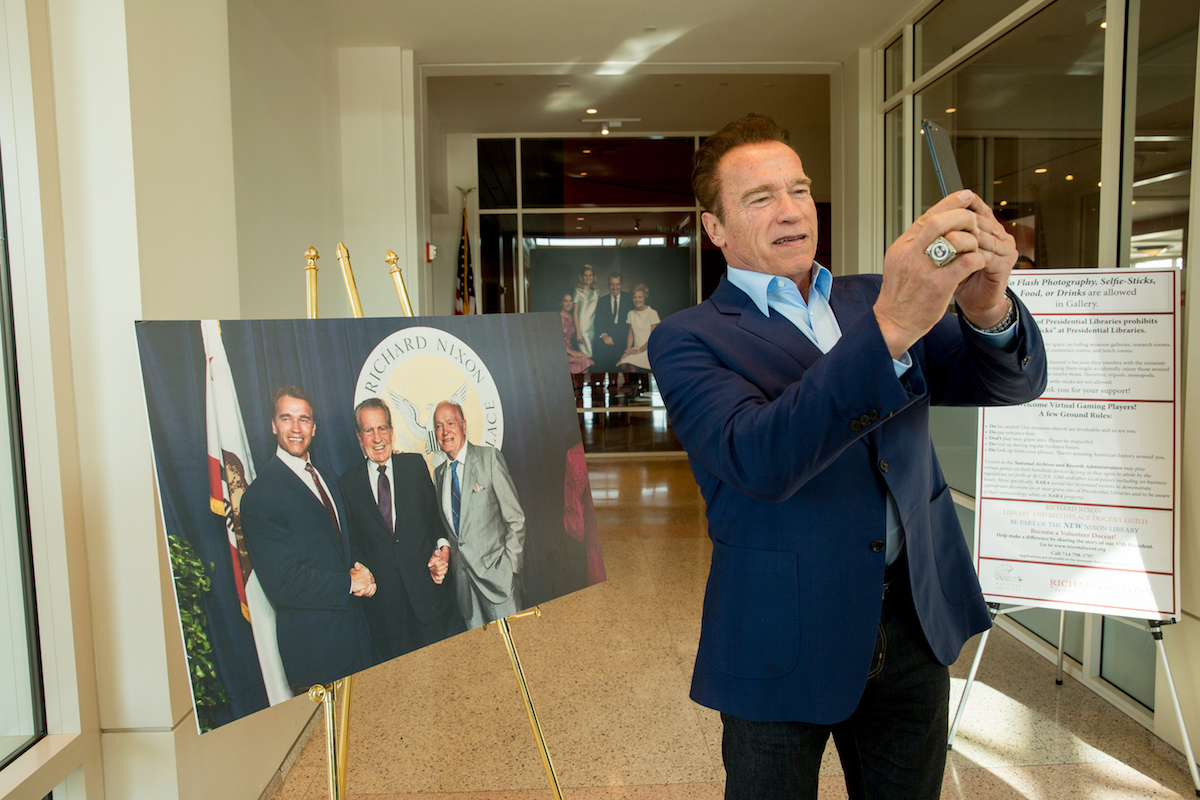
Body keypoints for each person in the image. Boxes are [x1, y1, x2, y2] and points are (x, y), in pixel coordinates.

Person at [647, 114, 1047, 800]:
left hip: (914, 616)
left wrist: (987, 308)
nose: (791, 210)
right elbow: (759, 457)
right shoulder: (689, 338)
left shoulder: (872, 298)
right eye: (760, 198)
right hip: (781, 629)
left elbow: (1008, 384)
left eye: (799, 189)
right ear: (715, 228)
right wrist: (891, 328)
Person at [241, 385, 375, 691]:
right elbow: (283, 582)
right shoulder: (260, 496)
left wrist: (362, 571)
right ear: (273, 425)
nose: (296, 428)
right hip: (316, 653)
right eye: (286, 418)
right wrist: (348, 583)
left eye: (304, 419)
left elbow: (345, 544)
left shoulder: (327, 478)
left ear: (313, 427)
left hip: (357, 638)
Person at [337, 398, 465, 663]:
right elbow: (353, 543)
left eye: (382, 428)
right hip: (385, 613)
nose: (377, 438)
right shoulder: (347, 485)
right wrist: (360, 569)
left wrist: (443, 549)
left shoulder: (414, 466)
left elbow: (435, 521)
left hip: (428, 602)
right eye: (369, 431)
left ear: (392, 430)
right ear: (359, 436)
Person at [432, 401, 527, 628]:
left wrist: (510, 570)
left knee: (514, 644)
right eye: (438, 426)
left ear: (464, 425)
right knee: (482, 650)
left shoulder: (489, 459)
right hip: (466, 590)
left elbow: (516, 519)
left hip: (499, 584)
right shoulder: (439, 474)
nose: (445, 431)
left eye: (450, 423)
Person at [592, 272, 631, 373]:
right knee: (599, 351)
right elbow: (597, 322)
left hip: (624, 338)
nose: (614, 287)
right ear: (608, 285)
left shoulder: (629, 299)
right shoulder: (602, 301)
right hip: (607, 337)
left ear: (621, 285)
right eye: (612, 284)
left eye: (617, 284)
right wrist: (604, 335)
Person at [616, 283, 659, 372]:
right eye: (635, 297)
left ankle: (637, 381)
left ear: (645, 298)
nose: (637, 300)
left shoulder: (652, 313)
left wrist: (639, 351)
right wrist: (628, 350)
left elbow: (653, 338)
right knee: (623, 363)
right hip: (635, 349)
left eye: (640, 297)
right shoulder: (631, 314)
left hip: (648, 349)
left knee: (632, 366)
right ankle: (634, 380)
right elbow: (630, 334)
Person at [559, 293, 595, 377]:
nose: (568, 303)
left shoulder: (572, 317)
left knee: (586, 361)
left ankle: (578, 385)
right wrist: (573, 353)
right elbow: (555, 342)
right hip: (560, 351)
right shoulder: (557, 317)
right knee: (584, 362)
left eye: (570, 301)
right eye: (565, 301)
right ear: (560, 302)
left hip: (570, 349)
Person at [572, 264, 599, 358]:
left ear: (593, 276)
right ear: (581, 277)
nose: (588, 277)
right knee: (586, 355)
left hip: (593, 327)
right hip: (582, 328)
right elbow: (575, 313)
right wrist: (578, 332)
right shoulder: (578, 291)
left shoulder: (596, 292)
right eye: (586, 275)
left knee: (593, 355)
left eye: (590, 275)